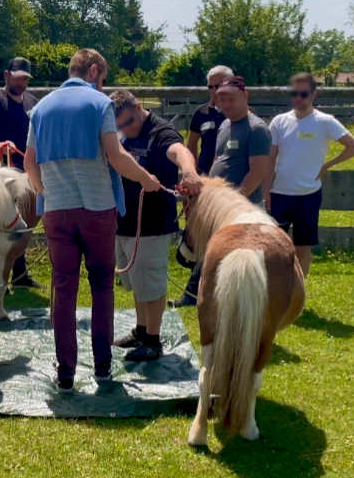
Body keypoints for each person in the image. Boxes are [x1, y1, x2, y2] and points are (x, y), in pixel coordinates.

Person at [25, 48, 161, 391]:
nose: (103, 85)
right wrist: (146, 178)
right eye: (103, 77)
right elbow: (115, 156)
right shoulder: (99, 105)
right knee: (101, 286)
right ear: (95, 70)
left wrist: (46, 192)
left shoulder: (40, 108)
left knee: (63, 288)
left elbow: (29, 163)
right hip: (97, 210)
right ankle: (102, 366)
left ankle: (66, 373)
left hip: (57, 210)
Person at [110, 90, 201, 361]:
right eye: (120, 126)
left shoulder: (161, 132)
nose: (126, 129)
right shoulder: (122, 135)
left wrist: (189, 171)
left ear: (139, 107)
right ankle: (141, 330)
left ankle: (153, 338)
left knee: (152, 283)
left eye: (129, 121)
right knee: (138, 283)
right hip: (125, 220)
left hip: (152, 223)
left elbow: (179, 151)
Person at [265, 72, 354, 275]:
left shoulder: (325, 121)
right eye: (294, 94)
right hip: (279, 193)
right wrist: (266, 192)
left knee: (303, 245)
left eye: (303, 94)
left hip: (308, 194)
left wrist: (327, 165)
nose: (298, 99)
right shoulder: (279, 122)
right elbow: (270, 159)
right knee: (274, 246)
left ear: (314, 95)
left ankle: (299, 289)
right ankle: (275, 289)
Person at [175, 65, 234, 307]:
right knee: (201, 237)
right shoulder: (201, 114)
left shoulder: (238, 114)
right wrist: (192, 177)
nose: (214, 90)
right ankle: (193, 291)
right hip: (204, 185)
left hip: (229, 188)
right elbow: (191, 147)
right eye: (210, 85)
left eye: (219, 85)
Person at [0, 57, 39, 288]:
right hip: (6, 173)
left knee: (25, 223)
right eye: (18, 77)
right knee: (6, 226)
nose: (22, 81)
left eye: (25, 78)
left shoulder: (32, 102)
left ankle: (19, 273)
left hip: (27, 172)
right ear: (7, 75)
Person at [209, 76, 271, 203]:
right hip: (220, 203)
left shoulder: (256, 129)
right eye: (222, 100)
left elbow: (257, 173)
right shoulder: (224, 125)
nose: (226, 104)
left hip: (244, 206)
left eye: (231, 100)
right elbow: (218, 159)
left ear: (245, 96)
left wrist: (235, 200)